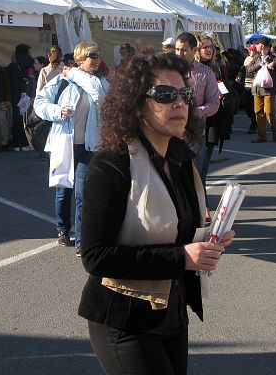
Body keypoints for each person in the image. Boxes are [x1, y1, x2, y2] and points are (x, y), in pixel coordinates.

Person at [78, 53, 234, 374]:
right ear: (136, 103)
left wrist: (209, 238)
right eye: (165, 95)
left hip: (171, 313)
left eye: (185, 94)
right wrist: (182, 258)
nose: (179, 103)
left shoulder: (180, 158)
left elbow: (175, 232)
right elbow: (96, 256)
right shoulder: (112, 163)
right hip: (124, 321)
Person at [34, 41, 109, 254]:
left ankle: (82, 241)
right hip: (64, 143)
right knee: (63, 189)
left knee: (83, 192)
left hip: (89, 145)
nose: (97, 60)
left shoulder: (100, 83)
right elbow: (39, 103)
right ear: (80, 58)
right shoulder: (62, 81)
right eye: (92, 56)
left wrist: (76, 73)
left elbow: (102, 98)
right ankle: (62, 228)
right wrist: (57, 111)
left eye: (98, 56)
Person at [174, 33, 220, 187]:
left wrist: (193, 113)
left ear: (194, 50)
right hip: (170, 134)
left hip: (195, 133)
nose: (179, 54)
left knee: (195, 181)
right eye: (177, 49)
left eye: (184, 50)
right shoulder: (168, 71)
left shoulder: (205, 73)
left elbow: (214, 104)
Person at [196, 35, 231, 179]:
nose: (209, 50)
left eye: (211, 47)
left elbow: (224, 87)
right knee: (198, 169)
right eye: (205, 47)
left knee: (204, 166)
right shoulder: (194, 69)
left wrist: (224, 95)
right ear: (197, 49)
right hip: (198, 118)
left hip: (214, 118)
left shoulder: (217, 66)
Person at [244, 36, 276, 143]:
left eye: (257, 44)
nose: (255, 47)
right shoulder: (256, 57)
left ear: (262, 46)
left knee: (269, 112)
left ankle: (275, 134)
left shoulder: (274, 57)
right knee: (258, 112)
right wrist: (259, 65)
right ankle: (262, 136)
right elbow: (249, 69)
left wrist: (274, 63)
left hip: (269, 89)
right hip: (257, 89)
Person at [6, 44, 35, 151]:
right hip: (26, 94)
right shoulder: (30, 63)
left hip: (15, 94)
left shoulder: (12, 65)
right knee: (27, 119)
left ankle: (16, 144)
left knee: (16, 119)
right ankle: (26, 142)